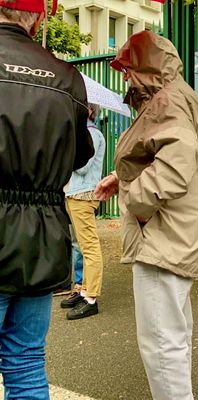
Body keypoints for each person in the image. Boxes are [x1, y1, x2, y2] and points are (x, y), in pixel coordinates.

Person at [95, 30, 198, 400]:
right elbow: (169, 157)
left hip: (162, 239)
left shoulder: (167, 102)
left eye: (128, 69)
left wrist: (134, 201)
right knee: (172, 340)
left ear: (145, 68)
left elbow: (173, 169)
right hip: (175, 235)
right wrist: (123, 177)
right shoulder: (173, 96)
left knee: (162, 346)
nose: (124, 77)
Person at [0, 0, 94, 396]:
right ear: (38, 18)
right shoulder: (66, 76)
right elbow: (81, 155)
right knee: (26, 362)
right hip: (42, 240)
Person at [60, 104, 106, 319]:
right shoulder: (84, 133)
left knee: (89, 247)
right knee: (79, 244)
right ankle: (83, 289)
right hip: (74, 194)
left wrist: (67, 151)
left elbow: (83, 167)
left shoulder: (92, 134)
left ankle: (91, 298)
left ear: (89, 111)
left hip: (83, 195)